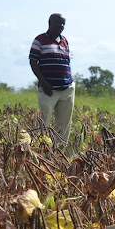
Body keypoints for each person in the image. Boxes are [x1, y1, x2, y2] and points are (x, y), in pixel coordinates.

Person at [29, 13, 75, 143]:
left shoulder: (65, 41)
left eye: (63, 24)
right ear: (50, 23)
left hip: (67, 88)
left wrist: (69, 81)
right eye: (58, 23)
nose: (61, 26)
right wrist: (43, 82)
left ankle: (59, 153)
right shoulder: (40, 40)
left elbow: (66, 62)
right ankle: (41, 150)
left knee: (64, 124)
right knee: (43, 122)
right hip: (48, 88)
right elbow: (33, 62)